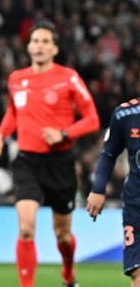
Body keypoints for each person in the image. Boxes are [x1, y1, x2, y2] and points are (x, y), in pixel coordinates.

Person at [0, 19, 99, 287]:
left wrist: (63, 134)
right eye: (34, 41)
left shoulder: (68, 77)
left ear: (54, 49)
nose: (38, 46)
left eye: (45, 41)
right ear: (29, 46)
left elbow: (92, 119)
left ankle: (68, 274)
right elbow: (14, 111)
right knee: (26, 228)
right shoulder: (17, 78)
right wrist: (0, 135)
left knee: (62, 234)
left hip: (59, 162)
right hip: (27, 161)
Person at [86, 98, 140, 286]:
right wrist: (98, 189)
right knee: (138, 273)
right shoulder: (125, 114)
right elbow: (109, 154)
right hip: (137, 203)